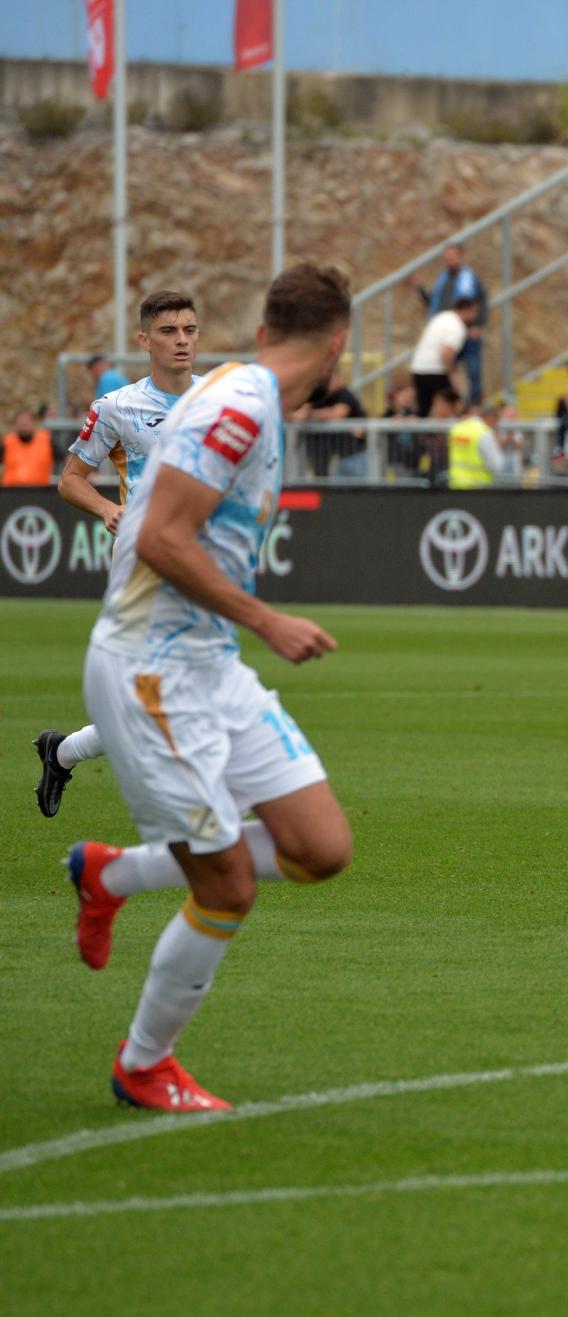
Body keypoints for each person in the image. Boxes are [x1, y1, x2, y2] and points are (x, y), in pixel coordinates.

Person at [65, 262, 356, 1110]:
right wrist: (269, 620)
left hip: (208, 663)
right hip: (151, 668)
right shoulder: (239, 406)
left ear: (264, 331)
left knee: (322, 848)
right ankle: (143, 1062)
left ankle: (110, 875)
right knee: (225, 884)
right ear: (338, 346)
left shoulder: (244, 392)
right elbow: (160, 536)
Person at [38, 290, 204, 820]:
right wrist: (108, 510)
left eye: (189, 330)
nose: (181, 340)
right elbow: (71, 481)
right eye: (168, 331)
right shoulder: (118, 407)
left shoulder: (218, 400)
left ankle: (62, 752)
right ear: (144, 340)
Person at [409, 243, 487, 399]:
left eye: (453, 256)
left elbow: (481, 301)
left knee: (473, 370)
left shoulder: (470, 278)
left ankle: (474, 403)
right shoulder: (443, 280)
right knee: (448, 370)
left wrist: (478, 324)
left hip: (467, 330)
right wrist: (420, 289)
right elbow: (434, 302)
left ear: (460, 256)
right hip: (448, 331)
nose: (450, 260)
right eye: (447, 257)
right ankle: (452, 402)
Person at [409, 296, 478, 416]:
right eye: (474, 312)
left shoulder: (442, 317)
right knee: (451, 406)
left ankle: (423, 434)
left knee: (424, 409)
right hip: (436, 370)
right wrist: (452, 375)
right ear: (467, 310)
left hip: (418, 368)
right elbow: (446, 353)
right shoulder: (457, 326)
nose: (475, 316)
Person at [3, 408, 52, 486]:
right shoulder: (6, 443)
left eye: (26, 422)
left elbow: (66, 459)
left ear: (34, 423)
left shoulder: (47, 440)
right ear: (14, 425)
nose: (23, 425)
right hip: (11, 492)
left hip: (41, 493)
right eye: (20, 423)